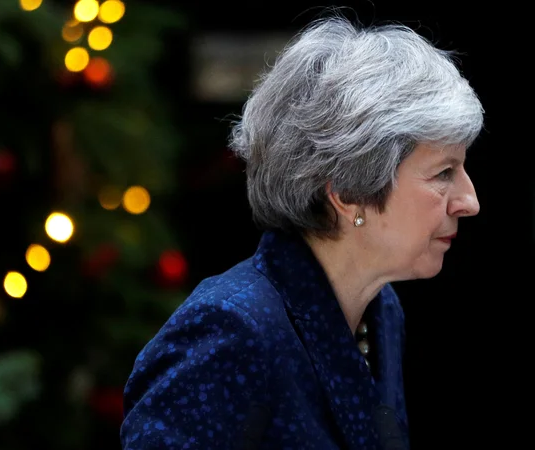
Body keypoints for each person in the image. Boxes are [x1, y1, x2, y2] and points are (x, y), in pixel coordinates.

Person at [120, 15, 482, 450]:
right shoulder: (229, 332)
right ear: (348, 192)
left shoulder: (380, 310)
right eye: (443, 172)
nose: (469, 200)